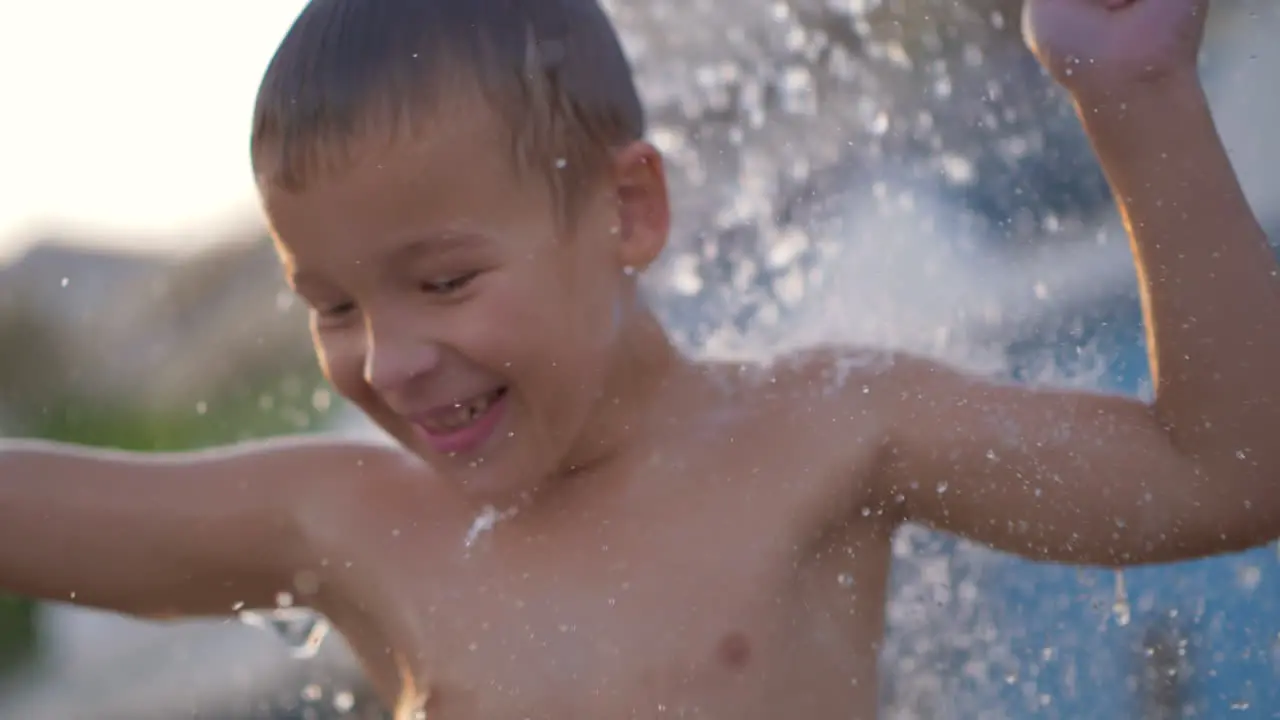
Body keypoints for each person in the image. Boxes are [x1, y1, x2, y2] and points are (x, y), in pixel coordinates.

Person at [3, 0, 1276, 717]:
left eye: (443, 281)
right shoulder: (342, 521)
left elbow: (1219, 476)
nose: (386, 359)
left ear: (627, 214)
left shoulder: (822, 434)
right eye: (328, 307)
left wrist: (1132, 88)